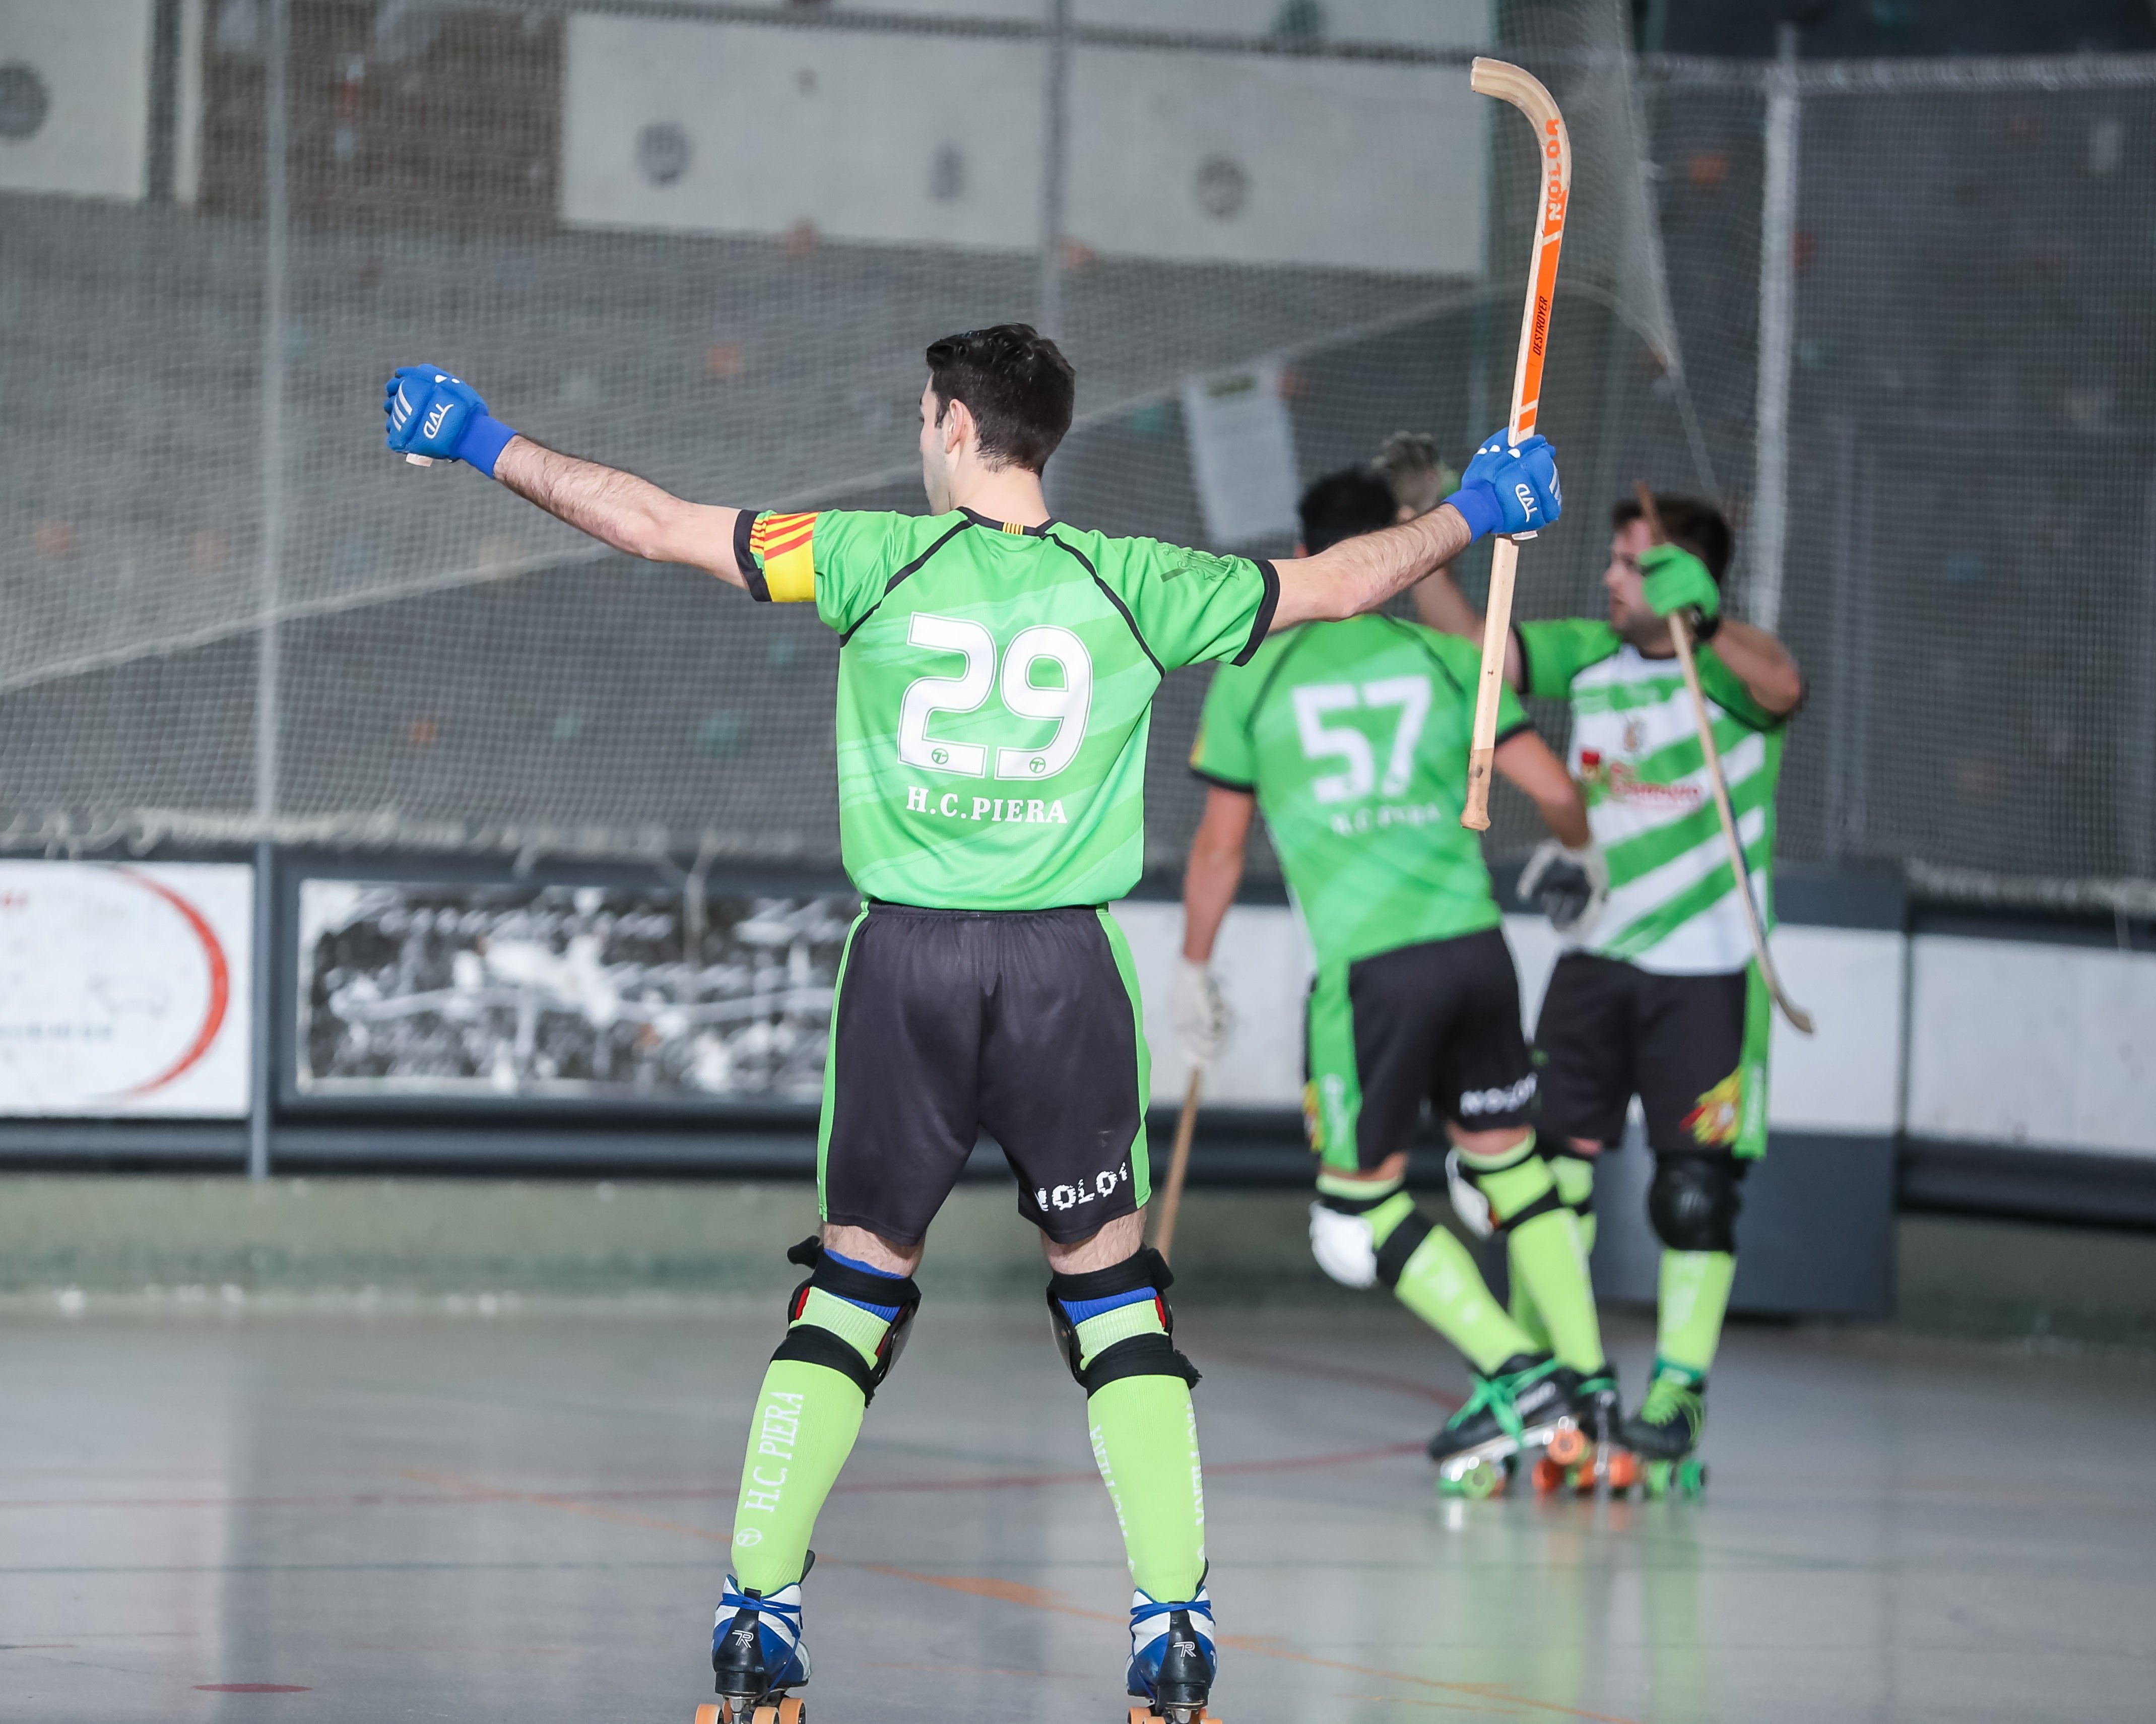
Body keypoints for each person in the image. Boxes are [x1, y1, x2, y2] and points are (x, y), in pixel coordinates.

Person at [378, 328, 1561, 1724]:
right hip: (1065, 971)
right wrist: (1474, 512)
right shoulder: (1140, 582)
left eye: (918, 416)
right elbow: (1337, 580)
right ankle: (1172, 1631)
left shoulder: (872, 557)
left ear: (951, 423)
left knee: (853, 1288)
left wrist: (479, 439)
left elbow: (644, 521)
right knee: (1116, 1298)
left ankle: (758, 1622)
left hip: (908, 969)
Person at [1172, 465, 1619, 1495]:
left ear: (1315, 550)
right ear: (1395, 548)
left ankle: (1521, 1376)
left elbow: (1217, 853)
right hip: (1474, 950)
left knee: (1352, 1220)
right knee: (1512, 1167)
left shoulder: (1256, 673)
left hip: (1371, 977)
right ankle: (1591, 1388)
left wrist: (1193, 973)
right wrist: (1580, 858)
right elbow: (1555, 790)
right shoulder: (1442, 657)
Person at [1412, 490, 1802, 1479]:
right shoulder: (1593, 648)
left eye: (1631, 563)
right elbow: (1481, 646)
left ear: (1683, 574)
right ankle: (1551, 1382)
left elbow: (1784, 687)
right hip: (1593, 962)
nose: (1610, 578)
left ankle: (1676, 1395)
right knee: (1551, 1186)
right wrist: (1427, 543)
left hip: (1706, 975)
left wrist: (1704, 619)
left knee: (1693, 1196)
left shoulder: (1732, 665)